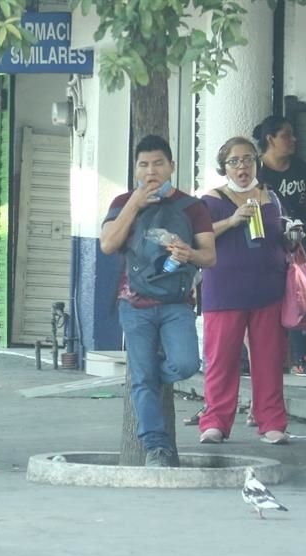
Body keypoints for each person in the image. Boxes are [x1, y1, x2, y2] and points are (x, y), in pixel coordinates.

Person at [99, 134, 216, 467]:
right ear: (136, 168)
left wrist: (189, 252)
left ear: (172, 167)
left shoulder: (192, 207)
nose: (151, 171)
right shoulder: (123, 201)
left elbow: (210, 257)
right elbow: (108, 244)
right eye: (144, 164)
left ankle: (146, 378)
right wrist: (135, 204)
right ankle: (156, 447)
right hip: (133, 305)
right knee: (144, 379)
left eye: (158, 163)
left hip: (177, 302)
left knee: (185, 365)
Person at [198, 137, 291, 445]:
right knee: (221, 360)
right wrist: (232, 220)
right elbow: (198, 238)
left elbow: (281, 236)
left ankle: (272, 421)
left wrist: (292, 236)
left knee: (268, 359)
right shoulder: (211, 200)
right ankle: (215, 422)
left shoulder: (271, 198)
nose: (242, 167)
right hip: (224, 291)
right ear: (223, 167)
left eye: (248, 159)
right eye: (234, 161)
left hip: (267, 290)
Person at [254, 115, 306, 377]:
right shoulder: (258, 171)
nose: (293, 140)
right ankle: (260, 358)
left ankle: (301, 359)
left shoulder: (301, 168)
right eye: (286, 135)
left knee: (301, 296)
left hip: (299, 244)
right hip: (268, 245)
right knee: (266, 299)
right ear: (270, 139)